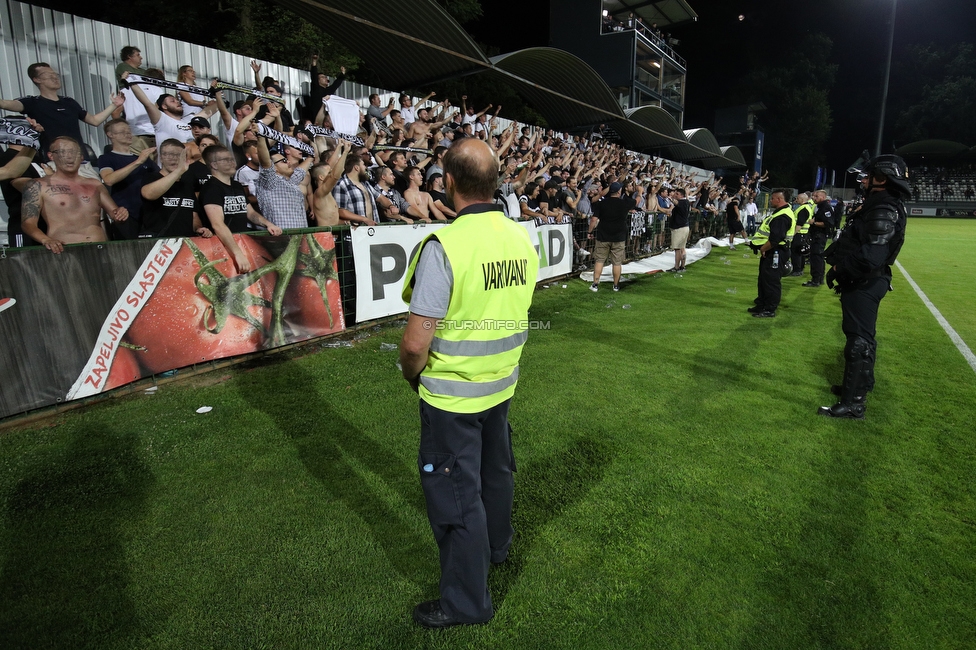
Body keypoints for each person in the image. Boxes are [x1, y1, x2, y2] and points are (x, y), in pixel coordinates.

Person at [399, 137, 538, 629]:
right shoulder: (521, 236)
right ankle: (497, 548)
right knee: (495, 474)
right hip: (501, 384)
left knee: (457, 497)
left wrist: (410, 375)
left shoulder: (447, 244)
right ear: (495, 182)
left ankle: (465, 603)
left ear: (449, 182)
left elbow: (416, 343)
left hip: (452, 395)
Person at [819, 154, 909, 419]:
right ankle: (858, 385)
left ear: (882, 179)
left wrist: (839, 268)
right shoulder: (878, 203)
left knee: (859, 341)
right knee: (861, 337)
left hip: (866, 280)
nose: (864, 180)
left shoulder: (883, 207)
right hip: (864, 279)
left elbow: (873, 254)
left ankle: (854, 403)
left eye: (869, 176)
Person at [20, 136, 129, 253]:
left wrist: (121, 214)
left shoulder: (95, 184)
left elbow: (115, 214)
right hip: (64, 250)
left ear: (82, 157)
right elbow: (28, 223)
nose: (69, 156)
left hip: (99, 249)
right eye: (62, 152)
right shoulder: (38, 185)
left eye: (74, 152)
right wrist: (45, 240)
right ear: (51, 155)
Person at [1, 63, 124, 159]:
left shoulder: (69, 102)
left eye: (55, 74)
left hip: (81, 158)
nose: (54, 77)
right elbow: (10, 104)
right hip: (53, 159)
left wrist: (114, 105)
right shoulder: (32, 102)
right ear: (36, 79)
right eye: (48, 74)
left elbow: (95, 121)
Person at [198, 144, 281, 272]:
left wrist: (268, 224)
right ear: (214, 165)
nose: (232, 162)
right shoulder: (211, 188)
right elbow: (217, 224)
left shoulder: (236, 185)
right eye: (226, 159)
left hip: (241, 243)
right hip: (221, 248)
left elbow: (250, 213)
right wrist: (237, 253)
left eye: (232, 159)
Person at [97, 118, 159, 239]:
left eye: (129, 131)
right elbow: (109, 179)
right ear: (110, 135)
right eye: (122, 132)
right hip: (125, 214)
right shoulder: (107, 158)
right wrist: (137, 162)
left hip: (148, 213)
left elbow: (159, 177)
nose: (128, 134)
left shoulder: (143, 158)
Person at [139, 139, 212, 238]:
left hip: (185, 242)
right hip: (158, 243)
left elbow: (194, 215)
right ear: (161, 157)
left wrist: (198, 228)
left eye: (178, 155)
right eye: (168, 154)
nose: (173, 158)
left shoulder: (186, 184)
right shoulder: (151, 177)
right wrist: (178, 171)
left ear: (185, 158)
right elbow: (148, 194)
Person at [748, 189, 793, 318]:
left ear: (779, 200)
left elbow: (776, 238)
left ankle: (770, 309)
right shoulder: (781, 212)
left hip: (776, 251)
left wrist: (763, 249)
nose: (771, 201)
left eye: (773, 198)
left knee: (771, 280)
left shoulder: (782, 216)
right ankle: (762, 304)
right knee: (763, 278)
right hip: (773, 250)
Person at [587, 181, 634, 291]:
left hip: (603, 236)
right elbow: (636, 201)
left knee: (599, 261)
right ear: (619, 191)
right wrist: (640, 193)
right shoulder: (624, 203)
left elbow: (594, 219)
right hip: (619, 236)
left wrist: (589, 232)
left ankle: (595, 284)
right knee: (617, 263)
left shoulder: (601, 203)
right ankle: (616, 285)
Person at [804, 189, 835, 287]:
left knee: (816, 257)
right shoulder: (819, 206)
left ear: (823, 197)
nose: (814, 198)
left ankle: (815, 280)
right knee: (818, 257)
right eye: (813, 196)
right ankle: (819, 278)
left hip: (819, 236)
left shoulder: (825, 207)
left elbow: (828, 223)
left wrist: (814, 223)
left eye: (816, 196)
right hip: (817, 235)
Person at [789, 192, 814, 277]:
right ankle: (800, 269)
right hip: (803, 234)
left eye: (798, 198)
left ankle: (797, 270)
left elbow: (799, 224)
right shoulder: (806, 207)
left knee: (796, 252)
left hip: (800, 233)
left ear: (803, 200)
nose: (796, 200)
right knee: (801, 253)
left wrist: (792, 234)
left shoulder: (803, 209)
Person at [667, 187, 690, 272]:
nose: (675, 195)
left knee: (677, 249)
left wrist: (671, 198)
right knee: (682, 248)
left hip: (679, 228)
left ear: (681, 195)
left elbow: (676, 202)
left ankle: (676, 267)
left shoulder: (682, 202)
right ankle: (682, 266)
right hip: (685, 227)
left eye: (677, 194)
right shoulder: (687, 202)